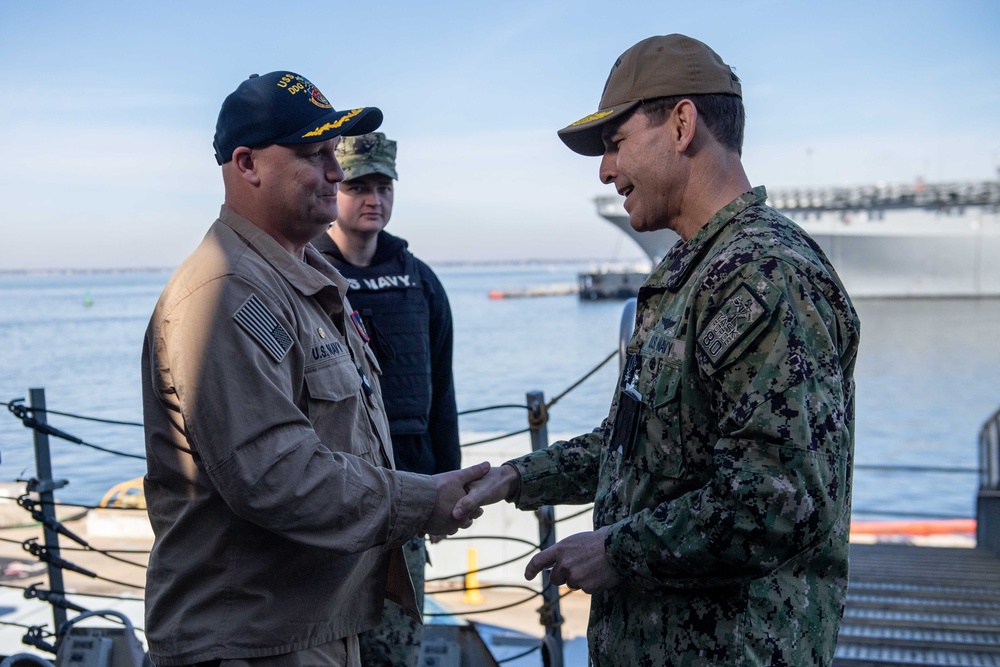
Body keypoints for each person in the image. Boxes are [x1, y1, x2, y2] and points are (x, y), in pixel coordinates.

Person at [454, 34, 860, 666]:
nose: (605, 170)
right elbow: (639, 449)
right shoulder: (695, 272)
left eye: (615, 144)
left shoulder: (763, 274)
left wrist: (615, 550)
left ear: (680, 124)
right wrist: (515, 477)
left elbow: (780, 500)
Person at [141, 71, 488, 667]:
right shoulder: (225, 292)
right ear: (247, 164)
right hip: (255, 641)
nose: (336, 172)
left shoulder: (300, 281)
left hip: (309, 628)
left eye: (334, 152)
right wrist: (418, 499)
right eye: (312, 154)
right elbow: (277, 475)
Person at [312, 133, 460, 666]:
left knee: (395, 653)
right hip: (333, 501)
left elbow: (441, 392)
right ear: (335, 187)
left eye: (383, 185)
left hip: (407, 497)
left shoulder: (419, 282)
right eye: (359, 186)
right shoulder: (305, 275)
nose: (374, 198)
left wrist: (449, 486)